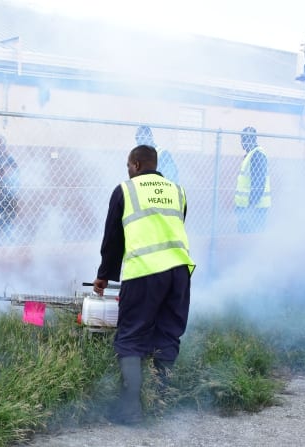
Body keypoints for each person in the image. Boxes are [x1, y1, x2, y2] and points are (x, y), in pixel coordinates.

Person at [92, 144, 195, 425]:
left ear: (136, 165)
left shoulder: (125, 190)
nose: (127, 170)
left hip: (144, 273)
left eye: (128, 166)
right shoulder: (178, 191)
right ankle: (161, 403)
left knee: (131, 336)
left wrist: (104, 275)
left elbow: (113, 238)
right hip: (179, 273)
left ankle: (130, 410)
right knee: (168, 335)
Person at [234, 126, 271, 233]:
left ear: (249, 140)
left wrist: (250, 208)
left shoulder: (257, 155)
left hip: (254, 208)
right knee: (246, 236)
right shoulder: (251, 154)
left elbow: (259, 182)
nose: (242, 143)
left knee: (251, 237)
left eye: (243, 140)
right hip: (248, 207)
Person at [0, 134, 20, 238]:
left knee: (7, 217)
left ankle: (9, 238)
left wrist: (3, 173)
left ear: (3, 146)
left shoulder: (9, 159)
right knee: (1, 217)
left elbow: (14, 174)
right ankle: (4, 238)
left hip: (9, 193)